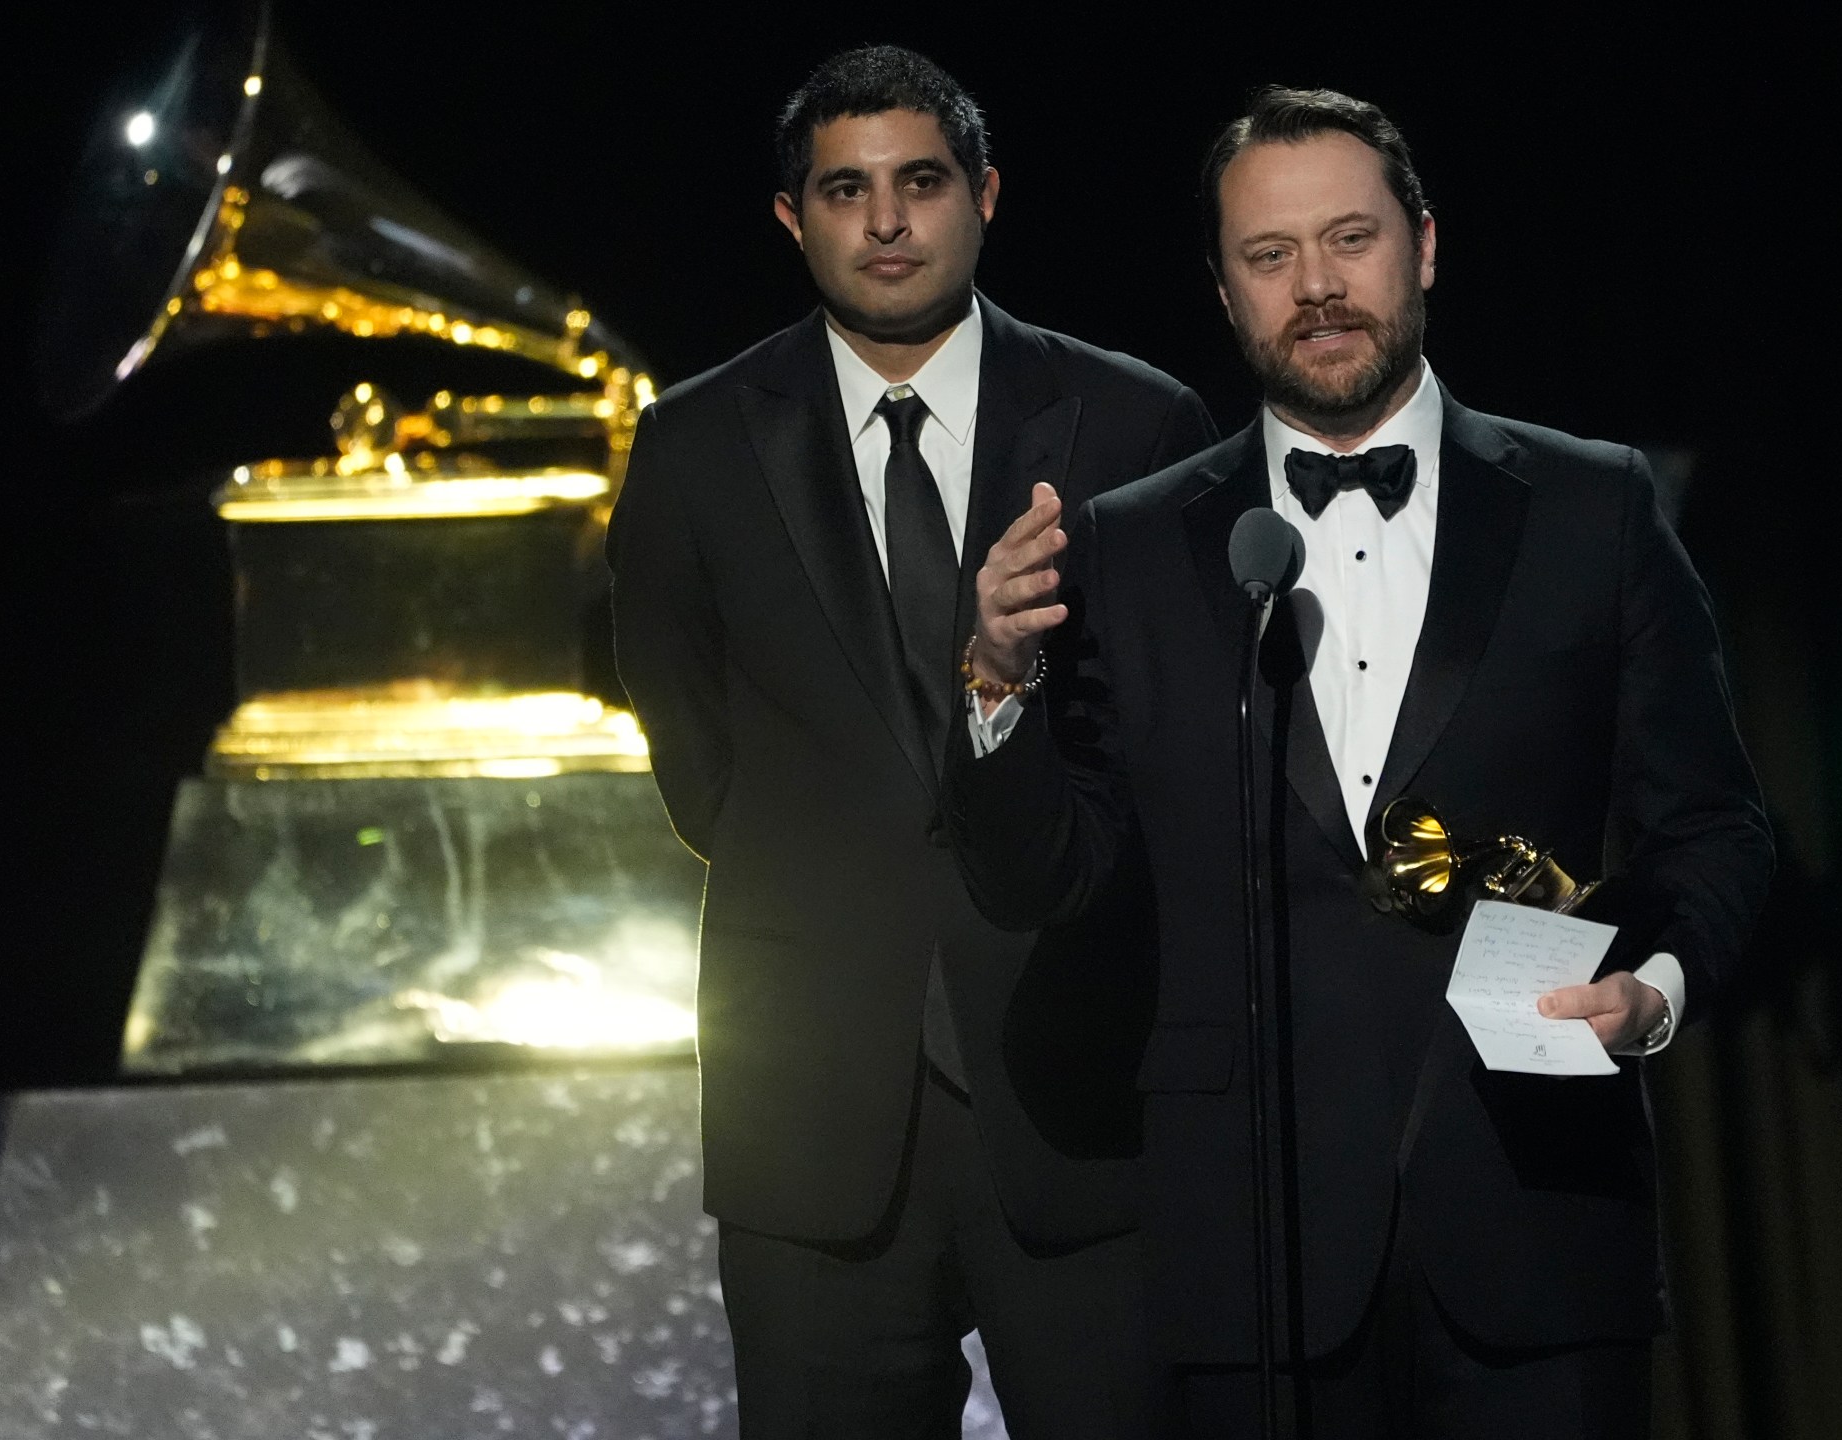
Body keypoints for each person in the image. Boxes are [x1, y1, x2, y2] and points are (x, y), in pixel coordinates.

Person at [946, 87, 1771, 1437]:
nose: (1318, 287)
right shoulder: (1133, 546)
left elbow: (1717, 830)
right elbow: (1040, 874)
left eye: (1351, 240)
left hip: (1537, 1222)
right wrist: (999, 678)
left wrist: (1655, 994)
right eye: (1270, 258)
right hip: (1248, 1251)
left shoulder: (1593, 508)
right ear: (1222, 290)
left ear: (1426, 245)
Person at [606, 45, 1216, 1438]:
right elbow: (695, 765)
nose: (884, 220)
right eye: (845, 190)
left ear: (984, 194)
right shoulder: (692, 445)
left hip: (1082, 1092)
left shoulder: (1137, 423)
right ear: (793, 218)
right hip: (811, 1110)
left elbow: (1172, 753)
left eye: (920, 182)